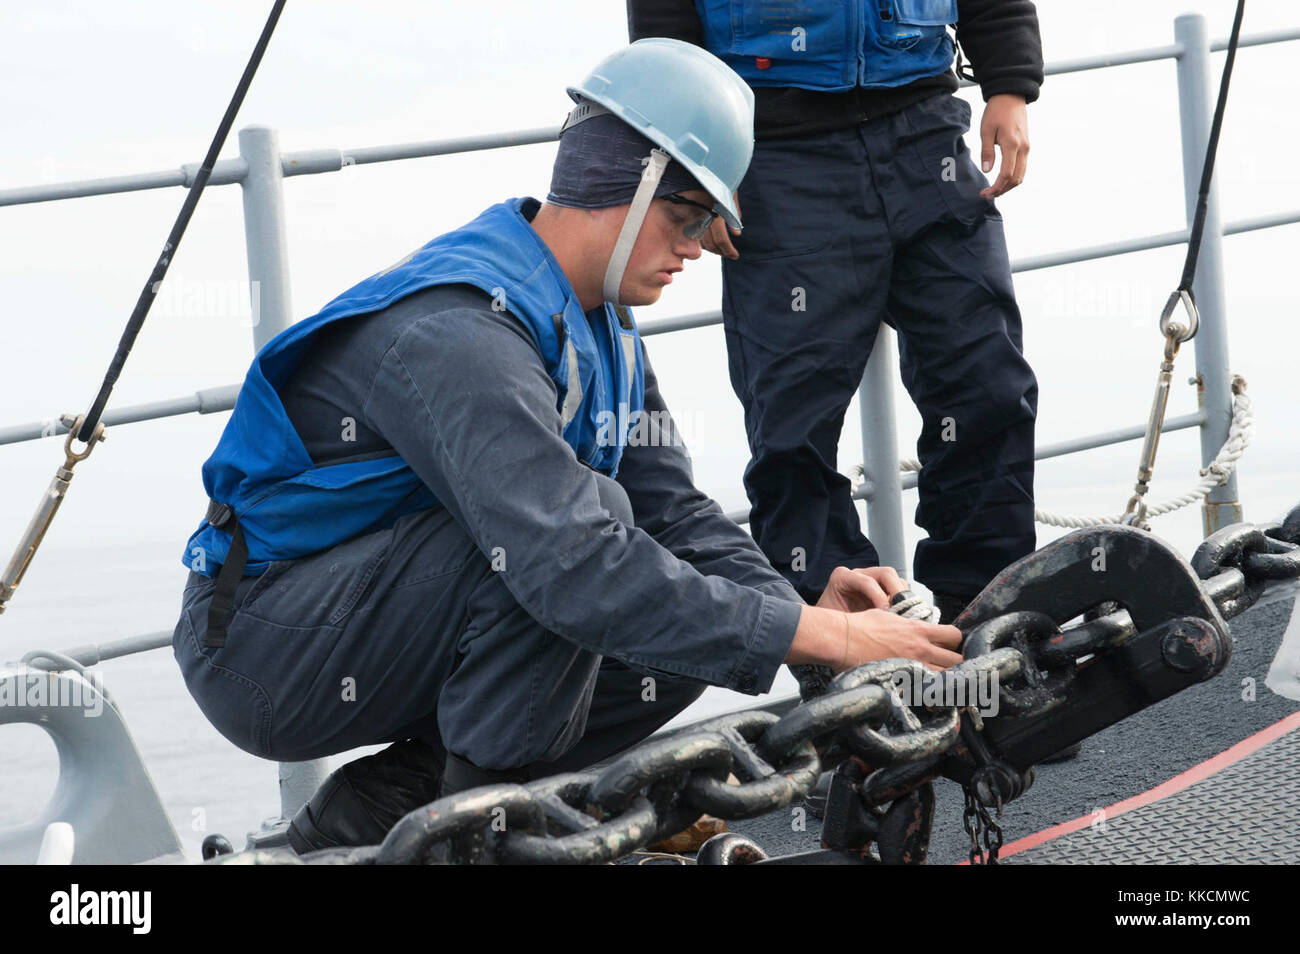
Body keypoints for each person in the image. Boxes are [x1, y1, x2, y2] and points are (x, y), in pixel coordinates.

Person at [171, 38, 961, 855]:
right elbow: (570, 562)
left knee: (683, 618)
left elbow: (677, 515)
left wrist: (800, 624)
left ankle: (374, 825)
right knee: (567, 560)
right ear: (630, 181)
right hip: (262, 650)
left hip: (372, 613)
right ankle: (479, 844)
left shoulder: (599, 323)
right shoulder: (462, 332)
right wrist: (829, 639)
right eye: (688, 218)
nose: (697, 247)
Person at [628, 1, 1043, 624]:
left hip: (925, 127)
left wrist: (1009, 85)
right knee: (791, 423)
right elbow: (664, 14)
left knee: (987, 383)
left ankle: (984, 608)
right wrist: (701, 157)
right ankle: (846, 634)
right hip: (773, 152)